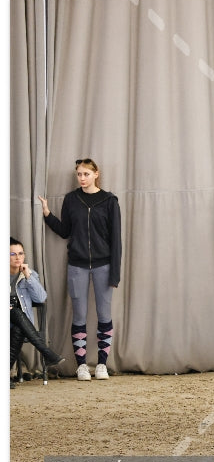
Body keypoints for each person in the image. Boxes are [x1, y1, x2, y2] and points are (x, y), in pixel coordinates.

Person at [38, 158, 122, 381]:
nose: (82, 178)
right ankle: (82, 366)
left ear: (96, 174)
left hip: (104, 265)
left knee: (104, 315)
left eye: (86, 174)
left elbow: (116, 240)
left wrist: (115, 273)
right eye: (79, 174)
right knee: (79, 316)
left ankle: (102, 365)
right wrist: (47, 214)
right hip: (77, 266)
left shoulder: (110, 201)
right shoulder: (71, 199)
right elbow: (65, 231)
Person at [10, 237, 65, 388]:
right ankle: (47, 353)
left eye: (20, 253)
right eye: (12, 254)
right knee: (14, 312)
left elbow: (41, 298)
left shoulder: (29, 274)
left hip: (20, 325)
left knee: (18, 325)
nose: (18, 257)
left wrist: (27, 275)